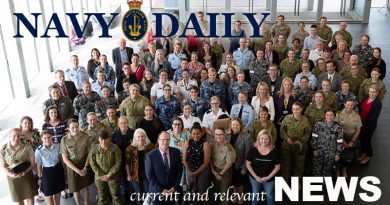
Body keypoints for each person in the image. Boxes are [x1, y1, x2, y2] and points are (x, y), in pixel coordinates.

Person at [145, 131, 183, 204]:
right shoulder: (150, 156)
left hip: (172, 191)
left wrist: (174, 187)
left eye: (167, 139)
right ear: (158, 141)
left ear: (169, 140)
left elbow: (179, 170)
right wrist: (161, 190)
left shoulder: (176, 152)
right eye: (162, 140)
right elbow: (149, 176)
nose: (165, 142)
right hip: (157, 192)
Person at [1, 128, 36, 204]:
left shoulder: (26, 146)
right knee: (19, 198)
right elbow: (3, 166)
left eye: (18, 136)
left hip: (27, 174)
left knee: (30, 196)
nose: (16, 138)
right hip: (13, 177)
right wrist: (11, 174)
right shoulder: (3, 149)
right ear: (9, 136)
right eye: (14, 136)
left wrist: (25, 172)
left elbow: (33, 163)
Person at [60, 119, 92, 205]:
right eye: (72, 127)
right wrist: (77, 171)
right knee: (75, 188)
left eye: (77, 126)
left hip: (84, 163)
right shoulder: (64, 139)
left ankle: (86, 203)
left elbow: (90, 153)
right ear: (68, 129)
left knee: (85, 186)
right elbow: (65, 159)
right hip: (71, 166)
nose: (75, 129)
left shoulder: (85, 136)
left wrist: (85, 167)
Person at [246, 129, 280, 205]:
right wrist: (256, 177)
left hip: (269, 179)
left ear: (270, 139)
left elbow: (277, 167)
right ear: (258, 139)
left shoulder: (275, 151)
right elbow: (248, 164)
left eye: (266, 139)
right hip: (255, 178)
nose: (263, 141)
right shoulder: (253, 150)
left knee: (269, 195)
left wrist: (268, 177)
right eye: (261, 138)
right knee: (255, 194)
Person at [280, 102, 312, 180]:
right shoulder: (287, 118)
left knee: (299, 166)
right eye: (293, 109)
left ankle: (297, 183)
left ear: (301, 109)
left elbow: (308, 132)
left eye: (297, 109)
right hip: (287, 145)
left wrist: (301, 141)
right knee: (286, 165)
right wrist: (287, 138)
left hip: (300, 147)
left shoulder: (305, 120)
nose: (295, 111)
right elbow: (282, 130)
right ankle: (285, 182)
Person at [225, 119, 252, 205]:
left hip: (240, 164)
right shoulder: (227, 135)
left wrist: (244, 167)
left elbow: (248, 153)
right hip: (229, 164)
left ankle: (241, 197)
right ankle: (236, 195)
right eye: (233, 125)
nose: (235, 127)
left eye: (237, 125)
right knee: (233, 182)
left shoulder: (246, 136)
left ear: (240, 125)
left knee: (239, 183)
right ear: (230, 125)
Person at [35, 131, 66, 205]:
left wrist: (65, 171)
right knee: (48, 194)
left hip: (58, 170)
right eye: (45, 138)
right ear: (42, 139)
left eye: (49, 137)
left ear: (52, 137)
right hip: (47, 173)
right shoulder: (39, 150)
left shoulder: (57, 146)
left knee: (57, 192)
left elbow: (61, 159)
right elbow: (39, 165)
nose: (47, 139)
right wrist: (39, 177)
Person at [125, 128, 155, 203]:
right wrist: (128, 175)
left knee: (147, 192)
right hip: (135, 174)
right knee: (138, 193)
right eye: (138, 137)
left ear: (145, 136)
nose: (141, 138)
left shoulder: (150, 146)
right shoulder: (130, 148)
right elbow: (127, 163)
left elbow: (155, 161)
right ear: (135, 138)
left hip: (147, 174)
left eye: (142, 136)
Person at [311, 109, 344, 176]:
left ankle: (326, 184)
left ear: (334, 116)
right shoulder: (318, 125)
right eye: (327, 115)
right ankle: (316, 183)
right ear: (325, 116)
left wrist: (338, 154)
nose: (329, 117)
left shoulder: (338, 128)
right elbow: (314, 137)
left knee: (328, 169)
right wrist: (314, 149)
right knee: (317, 168)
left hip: (331, 153)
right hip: (319, 151)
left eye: (331, 115)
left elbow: (340, 141)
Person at [335, 99, 362, 176]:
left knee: (347, 155)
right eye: (348, 105)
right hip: (340, 137)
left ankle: (344, 170)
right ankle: (337, 170)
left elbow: (358, 129)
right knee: (338, 154)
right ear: (344, 104)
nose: (349, 107)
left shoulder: (357, 116)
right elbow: (336, 128)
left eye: (351, 105)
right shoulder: (339, 114)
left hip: (351, 138)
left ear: (353, 106)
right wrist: (342, 140)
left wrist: (352, 141)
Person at [182, 123, 211, 196]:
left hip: (202, 170)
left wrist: (195, 173)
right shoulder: (187, 142)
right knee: (192, 190)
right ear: (190, 134)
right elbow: (184, 160)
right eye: (193, 133)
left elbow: (206, 163)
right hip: (190, 169)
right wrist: (190, 172)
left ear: (201, 133)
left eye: (198, 133)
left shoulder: (205, 144)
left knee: (202, 192)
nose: (195, 136)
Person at [210, 127, 236, 205]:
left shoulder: (228, 147)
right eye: (216, 134)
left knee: (224, 193)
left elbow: (229, 163)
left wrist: (221, 173)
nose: (218, 136)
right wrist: (213, 171)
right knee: (216, 191)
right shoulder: (212, 144)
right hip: (214, 170)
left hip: (225, 172)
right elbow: (210, 158)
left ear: (224, 135)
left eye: (220, 134)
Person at [111, 116, 134, 203]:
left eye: (125, 122)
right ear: (118, 124)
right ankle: (124, 197)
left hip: (131, 161)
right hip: (119, 162)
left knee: (131, 180)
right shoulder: (114, 135)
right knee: (122, 182)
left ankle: (133, 197)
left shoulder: (133, 133)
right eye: (121, 123)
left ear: (127, 123)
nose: (123, 124)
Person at [358, 85, 382, 165]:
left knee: (367, 140)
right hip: (361, 122)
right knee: (362, 139)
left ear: (377, 93)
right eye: (370, 91)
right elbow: (360, 107)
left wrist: (361, 124)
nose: (371, 93)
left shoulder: (378, 103)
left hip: (368, 125)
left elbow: (373, 118)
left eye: (373, 92)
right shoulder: (366, 97)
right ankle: (363, 153)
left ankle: (368, 155)